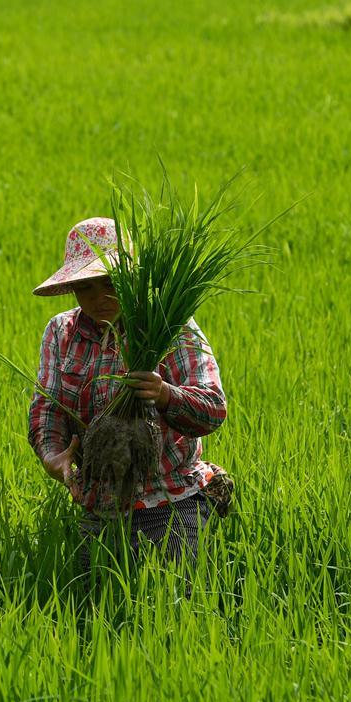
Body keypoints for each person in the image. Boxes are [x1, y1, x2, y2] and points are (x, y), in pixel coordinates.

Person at [28, 217, 234, 592]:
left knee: (174, 600)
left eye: (110, 283)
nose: (98, 298)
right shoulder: (62, 332)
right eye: (84, 287)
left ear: (133, 280)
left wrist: (165, 394)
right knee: (93, 602)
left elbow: (213, 408)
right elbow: (47, 408)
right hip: (99, 501)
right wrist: (52, 455)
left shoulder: (171, 327)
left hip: (171, 498)